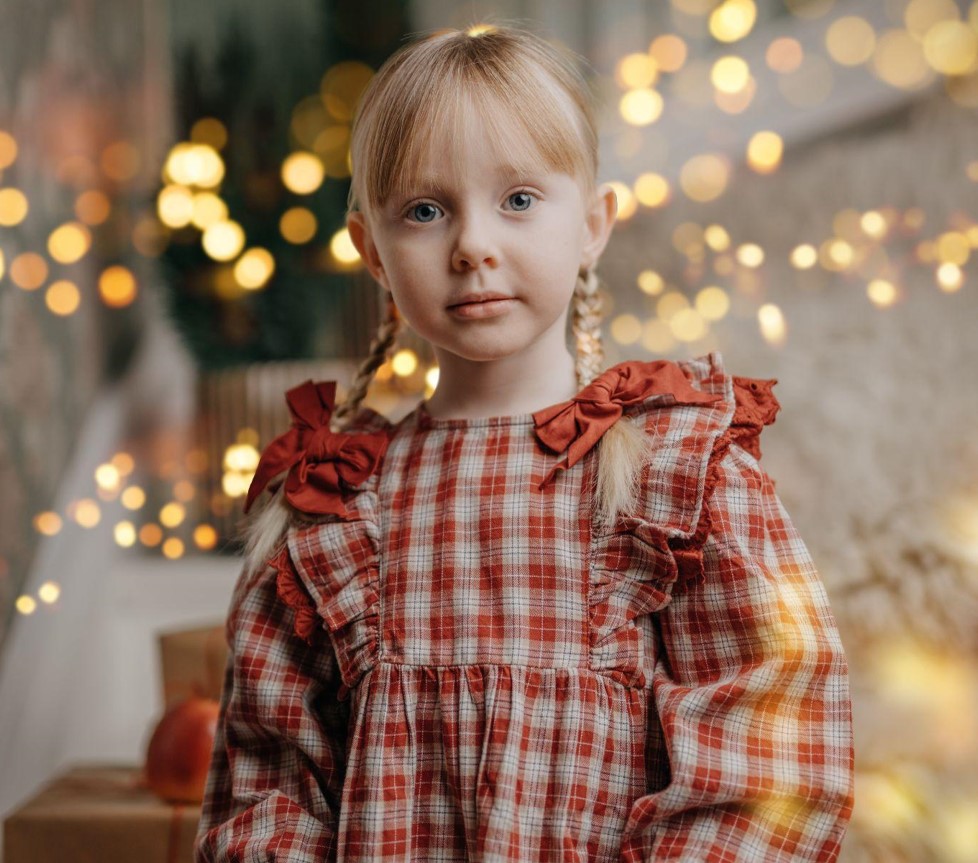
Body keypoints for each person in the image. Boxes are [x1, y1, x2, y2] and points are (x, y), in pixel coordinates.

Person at [194, 24, 854, 863]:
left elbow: (771, 739)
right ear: (372, 250)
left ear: (593, 223)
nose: (473, 245)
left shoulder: (675, 474)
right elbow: (268, 779)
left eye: (518, 200)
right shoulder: (333, 503)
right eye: (425, 211)